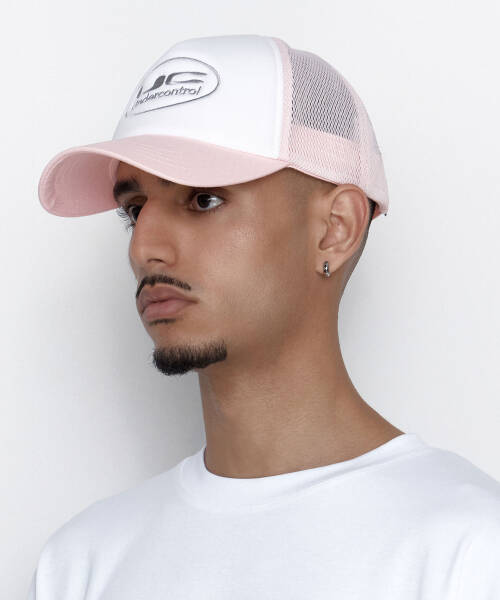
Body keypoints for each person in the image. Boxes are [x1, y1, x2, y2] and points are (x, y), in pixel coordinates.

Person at [29, 34, 499, 599]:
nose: (144, 247)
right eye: (134, 209)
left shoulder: (469, 551)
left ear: (336, 229)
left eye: (203, 199)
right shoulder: (81, 564)